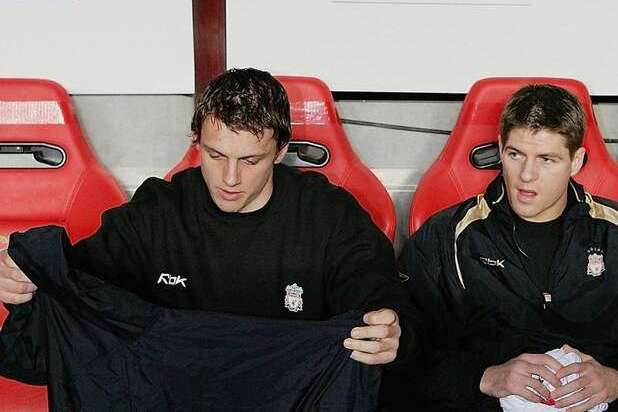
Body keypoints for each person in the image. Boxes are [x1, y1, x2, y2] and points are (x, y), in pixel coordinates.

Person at [0, 67, 417, 367]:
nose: (230, 178)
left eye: (251, 160)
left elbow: (377, 289)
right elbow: (78, 286)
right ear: (195, 141)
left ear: (281, 150)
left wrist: (392, 328)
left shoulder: (329, 216)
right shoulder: (157, 213)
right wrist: (27, 282)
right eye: (216, 156)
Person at [398, 84, 618, 411]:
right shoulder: (448, 237)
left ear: (576, 161)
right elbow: (405, 353)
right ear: (500, 148)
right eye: (515, 154)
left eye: (547, 159)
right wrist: (484, 378)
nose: (526, 175)